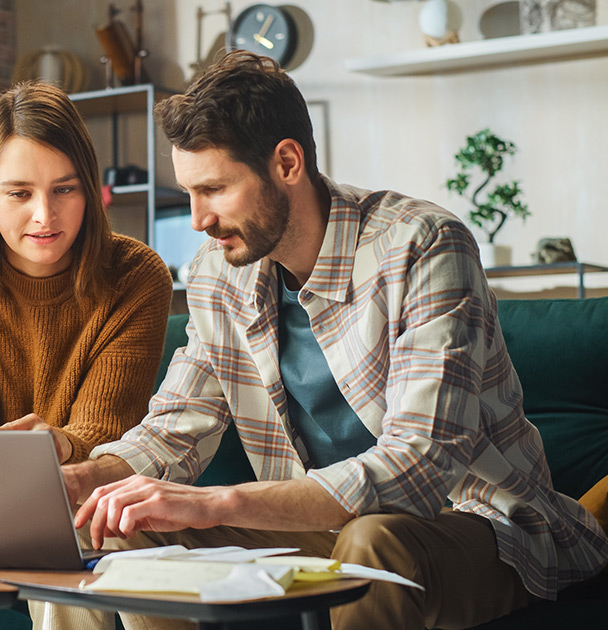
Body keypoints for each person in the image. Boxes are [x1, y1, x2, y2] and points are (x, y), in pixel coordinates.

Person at [62, 51, 608, 630]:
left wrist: (220, 499)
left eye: (215, 189)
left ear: (287, 162)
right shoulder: (217, 274)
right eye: (189, 193)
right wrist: (82, 481)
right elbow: (177, 425)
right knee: (112, 527)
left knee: (373, 543)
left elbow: (419, 467)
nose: (197, 219)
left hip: (477, 526)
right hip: (314, 533)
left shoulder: (423, 246)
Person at [0, 80, 172, 630]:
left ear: (92, 191)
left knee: (72, 520)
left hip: (89, 491)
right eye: (19, 193)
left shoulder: (137, 275)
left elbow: (109, 429)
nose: (44, 215)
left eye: (65, 189)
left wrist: (60, 446)